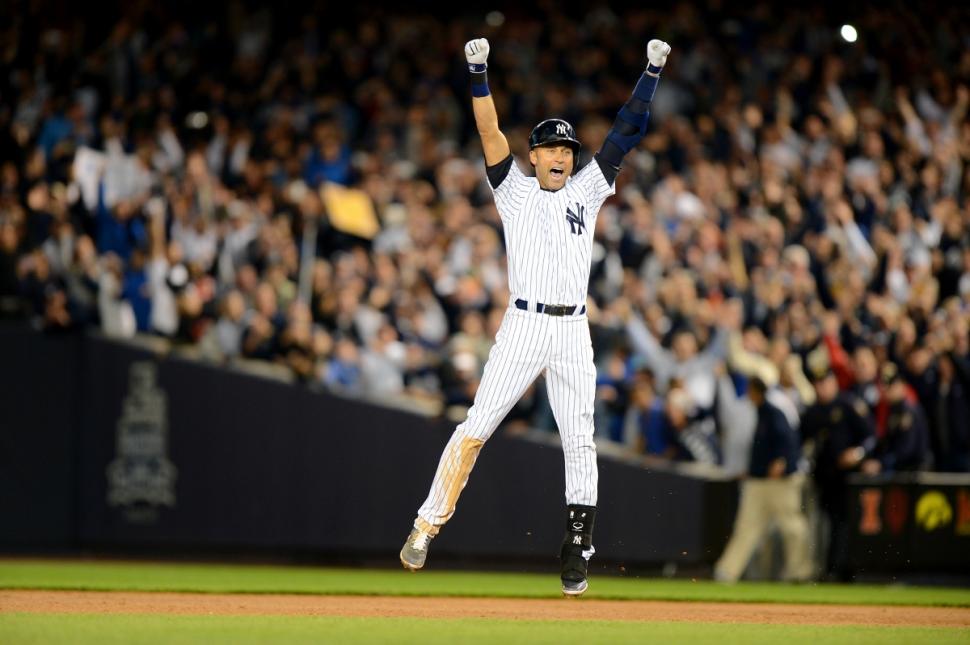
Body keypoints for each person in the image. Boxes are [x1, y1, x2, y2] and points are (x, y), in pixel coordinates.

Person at [399, 35, 672, 596]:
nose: (561, 156)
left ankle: (577, 551)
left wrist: (650, 71)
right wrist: (478, 72)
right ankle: (426, 525)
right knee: (476, 428)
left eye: (567, 150)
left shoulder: (589, 190)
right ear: (534, 155)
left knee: (580, 440)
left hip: (573, 328)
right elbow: (487, 132)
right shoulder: (515, 192)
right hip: (523, 324)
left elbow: (627, 131)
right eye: (551, 149)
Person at [713, 377, 813, 583]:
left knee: (791, 526)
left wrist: (782, 460)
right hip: (758, 480)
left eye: (750, 390)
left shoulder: (773, 412)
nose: (748, 394)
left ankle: (801, 572)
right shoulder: (758, 413)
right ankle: (727, 572)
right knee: (746, 527)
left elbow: (790, 441)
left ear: (756, 391)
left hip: (780, 483)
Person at [799, 352, 876, 580]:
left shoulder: (848, 404)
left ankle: (839, 570)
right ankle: (823, 569)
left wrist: (858, 453)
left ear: (834, 382)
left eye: (826, 382)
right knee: (822, 525)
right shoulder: (812, 412)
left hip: (847, 478)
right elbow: (801, 442)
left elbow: (871, 436)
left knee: (843, 524)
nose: (822, 387)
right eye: (818, 383)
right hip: (821, 477)